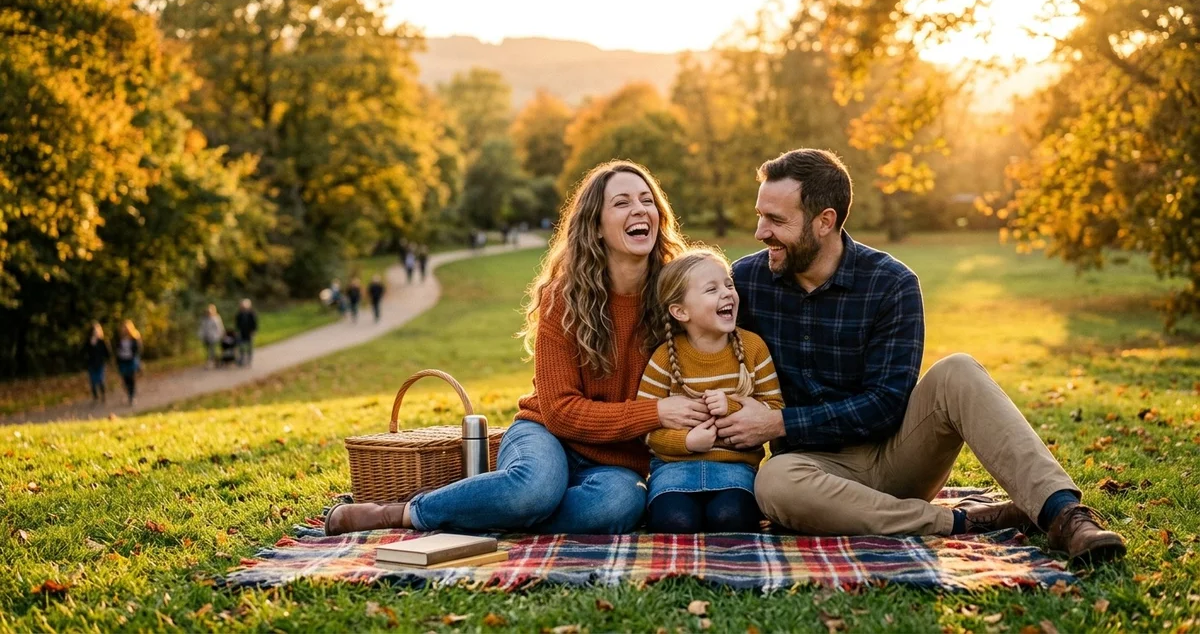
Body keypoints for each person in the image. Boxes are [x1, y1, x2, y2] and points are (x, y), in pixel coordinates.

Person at [718, 148, 1125, 562]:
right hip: (812, 470)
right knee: (773, 484)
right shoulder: (746, 281)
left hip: (896, 456)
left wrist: (778, 422)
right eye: (760, 215)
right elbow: (690, 324)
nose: (760, 232)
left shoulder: (892, 283)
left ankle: (1066, 516)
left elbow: (887, 404)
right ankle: (964, 522)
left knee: (958, 370)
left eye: (775, 220)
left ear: (825, 221)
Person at [323, 160, 704, 536]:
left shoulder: (676, 300)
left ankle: (501, 513)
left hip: (618, 462)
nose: (639, 209)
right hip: (546, 435)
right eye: (621, 202)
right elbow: (559, 412)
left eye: (646, 200)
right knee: (534, 489)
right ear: (596, 227)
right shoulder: (565, 299)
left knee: (619, 505)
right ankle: (400, 513)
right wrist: (656, 412)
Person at [637, 248, 785, 533]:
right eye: (711, 289)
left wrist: (731, 406)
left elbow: (775, 410)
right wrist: (688, 442)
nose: (727, 293)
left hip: (735, 471)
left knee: (730, 518)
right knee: (674, 522)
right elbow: (647, 430)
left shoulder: (753, 348)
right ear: (680, 311)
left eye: (728, 284)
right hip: (673, 472)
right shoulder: (665, 358)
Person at [114, 320, 141, 405]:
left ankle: (132, 396)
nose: (125, 330)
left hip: (131, 360)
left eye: (126, 328)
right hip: (122, 360)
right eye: (124, 328)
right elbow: (117, 349)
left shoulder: (134, 337)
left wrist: (135, 357)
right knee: (125, 380)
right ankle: (129, 395)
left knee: (131, 379)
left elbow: (138, 349)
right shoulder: (120, 338)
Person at [83, 322, 111, 404]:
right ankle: (95, 397)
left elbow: (107, 353)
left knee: (100, 380)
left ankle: (103, 395)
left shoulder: (102, 341)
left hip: (100, 364)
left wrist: (105, 360)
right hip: (91, 364)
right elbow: (83, 352)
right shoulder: (88, 342)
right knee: (92, 381)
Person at [198, 304, 224, 369]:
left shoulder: (216, 318)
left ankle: (211, 363)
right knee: (208, 350)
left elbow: (219, 328)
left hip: (214, 337)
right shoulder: (204, 319)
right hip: (206, 337)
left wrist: (221, 334)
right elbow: (202, 328)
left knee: (212, 350)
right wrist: (200, 335)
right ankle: (212, 362)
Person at [235, 299, 258, 367]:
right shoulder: (239, 314)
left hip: (249, 332)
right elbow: (237, 324)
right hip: (242, 332)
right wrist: (237, 331)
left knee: (249, 347)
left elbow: (254, 323)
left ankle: (249, 360)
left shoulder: (251, 313)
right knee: (241, 346)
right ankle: (241, 360)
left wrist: (253, 331)